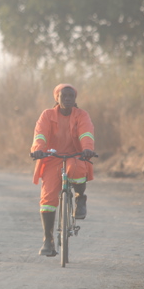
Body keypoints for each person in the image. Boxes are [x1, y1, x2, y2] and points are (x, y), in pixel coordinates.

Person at [30, 83, 96, 256]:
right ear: (57, 98)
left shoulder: (81, 115)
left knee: (78, 171)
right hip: (52, 158)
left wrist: (87, 147)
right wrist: (38, 148)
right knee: (48, 198)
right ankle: (48, 240)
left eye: (71, 96)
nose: (67, 99)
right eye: (63, 96)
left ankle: (80, 197)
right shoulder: (47, 115)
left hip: (75, 155)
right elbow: (40, 134)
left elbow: (86, 133)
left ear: (75, 99)